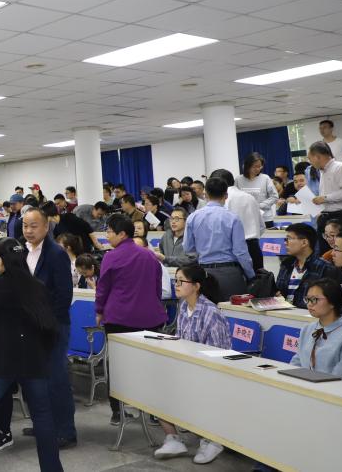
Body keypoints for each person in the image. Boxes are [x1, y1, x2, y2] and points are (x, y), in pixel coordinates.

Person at [0, 238, 62, 472]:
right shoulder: (38, 286)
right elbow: (50, 328)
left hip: (0, 362)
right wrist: (43, 355)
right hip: (34, 362)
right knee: (43, 417)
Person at [154, 264, 231, 464]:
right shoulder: (183, 307)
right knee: (154, 385)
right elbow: (181, 340)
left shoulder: (211, 312)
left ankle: (212, 441)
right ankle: (173, 438)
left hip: (209, 372)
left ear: (196, 286)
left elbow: (219, 354)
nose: (176, 285)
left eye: (181, 281)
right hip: (188, 367)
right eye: (175, 281)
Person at [96, 213, 168, 425]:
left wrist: (99, 311)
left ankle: (117, 411)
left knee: (118, 366)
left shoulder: (111, 257)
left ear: (122, 234)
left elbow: (103, 288)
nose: (107, 236)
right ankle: (154, 412)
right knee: (150, 365)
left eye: (110, 232)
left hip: (119, 318)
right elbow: (157, 288)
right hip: (150, 318)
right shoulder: (149, 256)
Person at [18, 204, 77, 448]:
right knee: (33, 378)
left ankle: (65, 431)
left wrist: (48, 324)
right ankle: (43, 424)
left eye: (34, 226)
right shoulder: (22, 251)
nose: (28, 230)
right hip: (28, 326)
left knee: (55, 379)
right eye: (25, 226)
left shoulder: (56, 253)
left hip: (53, 326)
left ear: (46, 226)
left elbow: (64, 295)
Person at [183, 178, 255, 300]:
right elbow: (240, 252)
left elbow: (187, 248)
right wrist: (251, 275)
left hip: (204, 273)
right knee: (232, 310)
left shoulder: (193, 217)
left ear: (205, 194)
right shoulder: (233, 218)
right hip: (230, 273)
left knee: (206, 309)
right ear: (226, 195)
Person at [290, 278, 342, 380]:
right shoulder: (307, 329)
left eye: (314, 299)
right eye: (307, 299)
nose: (309, 304)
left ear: (332, 302)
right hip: (309, 385)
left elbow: (341, 376)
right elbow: (296, 362)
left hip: (339, 387)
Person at [212, 168, 265, 274]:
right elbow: (261, 226)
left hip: (233, 250)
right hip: (254, 247)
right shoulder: (250, 197)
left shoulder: (223, 200)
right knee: (258, 281)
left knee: (237, 283)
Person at [275, 223, 335, 308]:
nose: (285, 243)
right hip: (285, 313)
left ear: (304, 242)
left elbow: (328, 300)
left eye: (289, 239)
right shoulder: (286, 265)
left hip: (309, 313)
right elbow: (278, 292)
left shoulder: (324, 267)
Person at [309, 140, 342, 235]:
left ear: (318, 157)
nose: (310, 162)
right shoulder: (322, 171)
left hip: (341, 217)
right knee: (324, 244)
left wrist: (325, 198)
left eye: (310, 158)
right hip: (326, 216)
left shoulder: (340, 168)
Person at [236, 152, 279, 228]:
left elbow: (274, 196)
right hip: (245, 218)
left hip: (265, 218)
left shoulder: (265, 178)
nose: (258, 169)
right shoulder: (238, 179)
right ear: (247, 166)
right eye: (255, 166)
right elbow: (235, 197)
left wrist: (259, 205)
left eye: (260, 166)